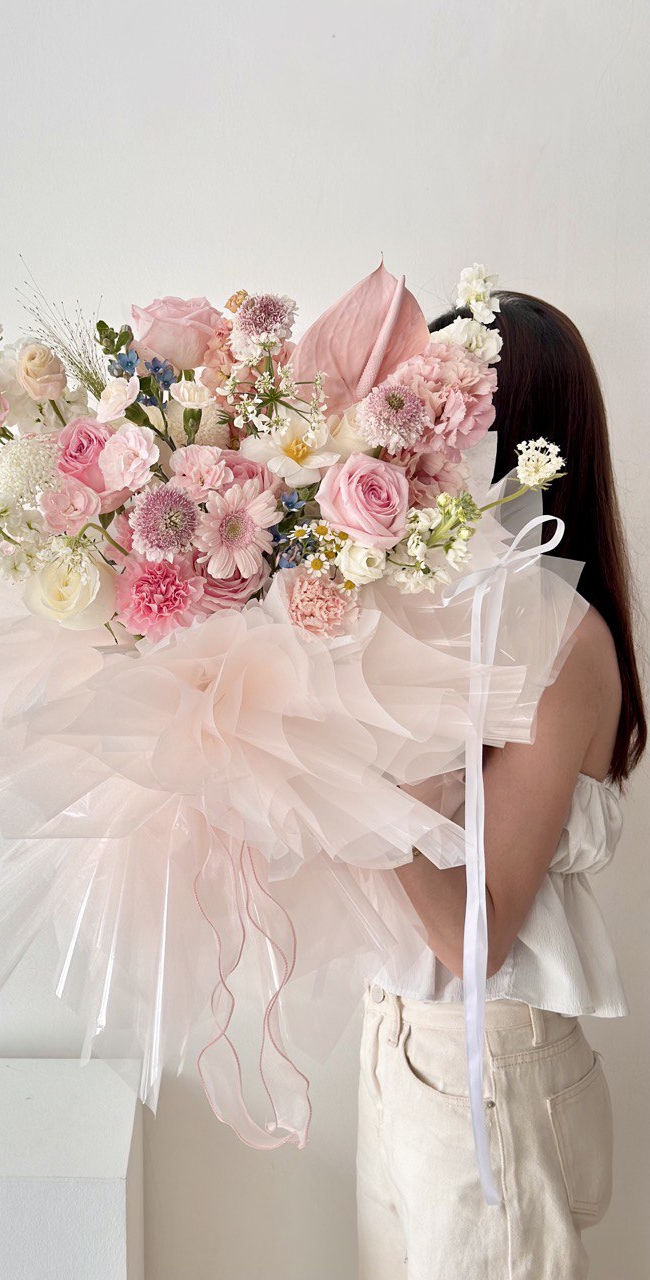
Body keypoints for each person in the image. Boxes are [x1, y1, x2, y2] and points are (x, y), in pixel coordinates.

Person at [356, 292, 646, 1280]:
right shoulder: (458, 617)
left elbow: (471, 932)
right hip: (407, 1040)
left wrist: (341, 784)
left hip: (485, 1063)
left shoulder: (563, 643)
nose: (412, 442)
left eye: (442, 414)